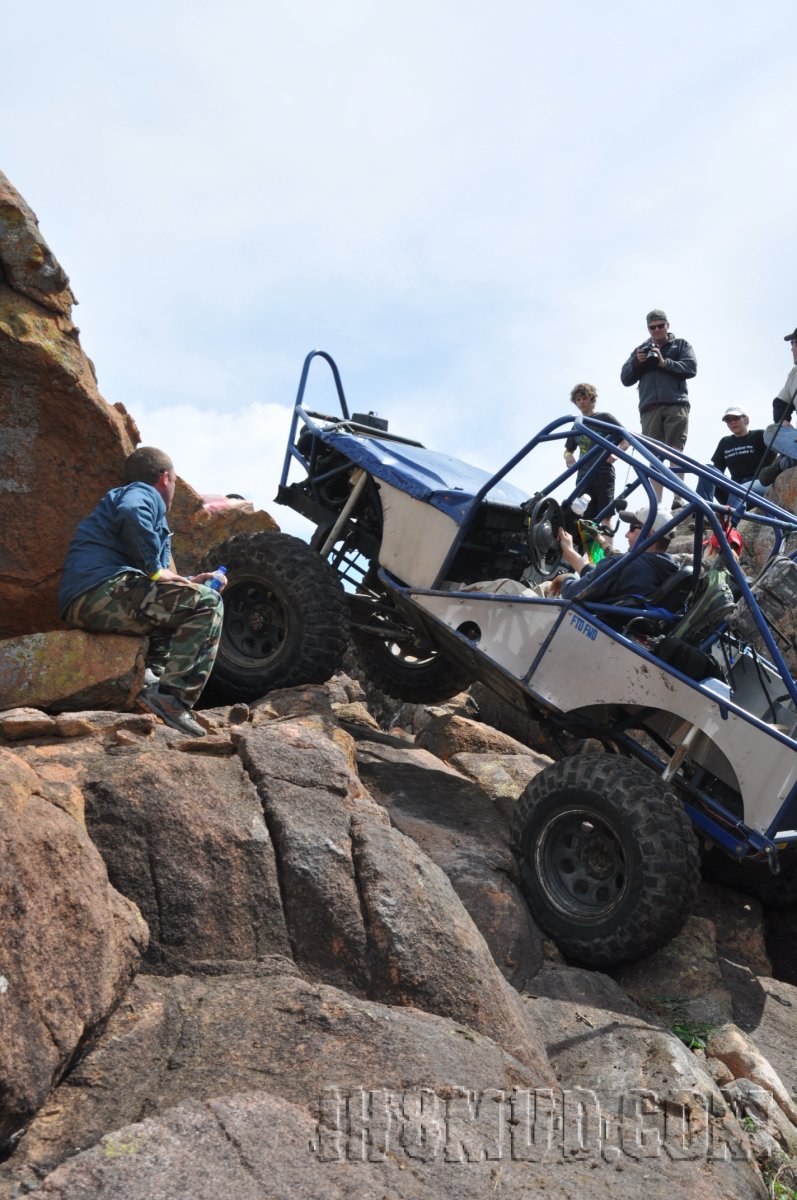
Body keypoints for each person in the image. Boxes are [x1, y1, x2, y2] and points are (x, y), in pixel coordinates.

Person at [58, 446, 226, 737]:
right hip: (101, 590)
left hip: (90, 598)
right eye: (174, 481)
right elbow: (131, 512)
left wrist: (189, 580)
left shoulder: (140, 507)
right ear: (165, 478)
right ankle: (172, 701)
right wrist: (154, 568)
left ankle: (151, 689)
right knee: (209, 603)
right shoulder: (142, 493)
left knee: (180, 611)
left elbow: (154, 589)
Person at [620, 309, 697, 507]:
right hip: (649, 408)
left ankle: (679, 497)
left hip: (675, 403)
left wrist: (664, 362)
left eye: (660, 326)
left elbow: (691, 368)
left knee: (675, 451)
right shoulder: (641, 349)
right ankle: (658, 504)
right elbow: (625, 379)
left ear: (667, 325)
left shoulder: (681, 345)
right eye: (652, 327)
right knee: (653, 456)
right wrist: (638, 362)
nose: (656, 330)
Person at [556, 504, 678, 602]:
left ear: (648, 534)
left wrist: (566, 578)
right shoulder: (667, 573)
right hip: (621, 627)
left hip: (592, 622)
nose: (626, 535)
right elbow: (604, 579)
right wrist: (570, 551)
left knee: (542, 590)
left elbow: (574, 593)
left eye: (631, 528)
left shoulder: (624, 566)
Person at [563, 383, 624, 530]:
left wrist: (616, 452)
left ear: (591, 399)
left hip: (603, 471)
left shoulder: (605, 417)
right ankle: (590, 553)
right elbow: (567, 449)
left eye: (584, 398)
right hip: (583, 476)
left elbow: (625, 439)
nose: (582, 402)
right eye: (578, 400)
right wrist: (568, 456)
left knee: (605, 515)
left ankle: (607, 552)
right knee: (586, 519)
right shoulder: (577, 424)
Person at [696, 407, 770, 510]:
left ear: (746, 419)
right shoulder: (725, 442)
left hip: (758, 484)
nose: (732, 422)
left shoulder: (760, 435)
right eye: (728, 420)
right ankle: (702, 512)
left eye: (736, 418)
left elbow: (776, 455)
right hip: (734, 487)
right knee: (708, 470)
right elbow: (717, 471)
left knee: (740, 490)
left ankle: (729, 521)